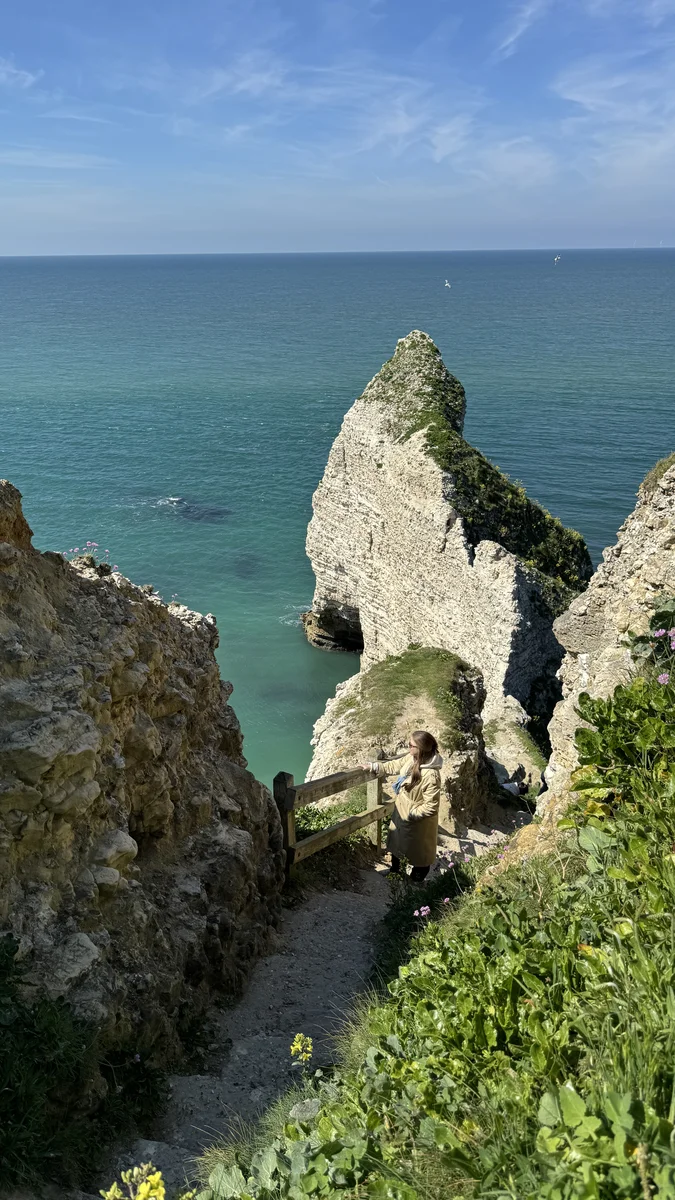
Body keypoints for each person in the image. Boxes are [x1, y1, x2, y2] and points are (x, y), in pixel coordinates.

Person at [363, 730, 443, 882]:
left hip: (417, 820)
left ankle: (414, 883)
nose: (408, 748)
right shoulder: (413, 758)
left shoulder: (431, 775)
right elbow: (395, 765)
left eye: (411, 745)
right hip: (403, 809)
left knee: (420, 855)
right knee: (397, 844)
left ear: (420, 748)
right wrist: (374, 767)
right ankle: (395, 873)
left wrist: (411, 815)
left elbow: (431, 806)